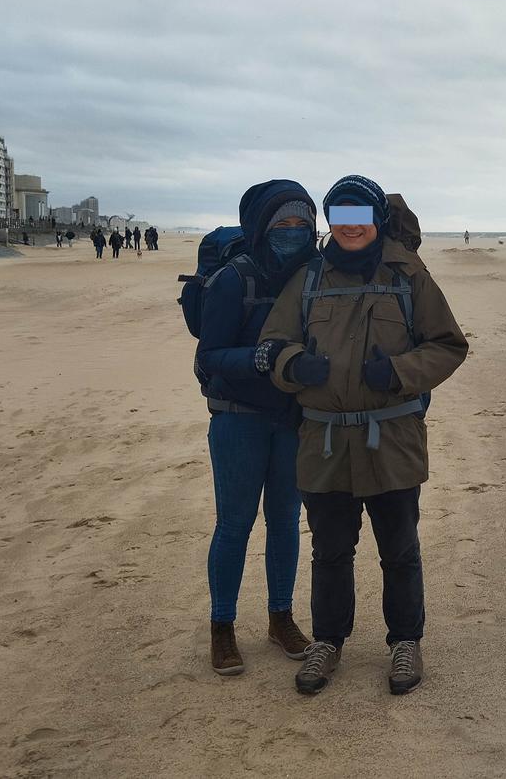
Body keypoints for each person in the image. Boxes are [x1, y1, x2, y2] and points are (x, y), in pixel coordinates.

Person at [256, 175, 468, 696]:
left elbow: (448, 345)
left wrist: (397, 372)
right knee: (330, 551)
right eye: (340, 216)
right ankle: (328, 642)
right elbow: (273, 342)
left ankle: (406, 642)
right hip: (324, 443)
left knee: (399, 549)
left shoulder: (408, 275)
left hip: (392, 439)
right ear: (330, 222)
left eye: (360, 215)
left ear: (376, 219)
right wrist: (293, 365)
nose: (350, 226)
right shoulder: (308, 278)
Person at [197, 180, 319, 675]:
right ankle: (222, 628)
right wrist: (258, 359)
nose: (292, 231)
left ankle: (280, 618)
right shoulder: (234, 279)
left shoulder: (314, 276)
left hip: (292, 419)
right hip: (237, 419)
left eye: (301, 223)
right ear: (262, 227)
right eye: (281, 223)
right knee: (234, 525)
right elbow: (209, 355)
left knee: (286, 522)